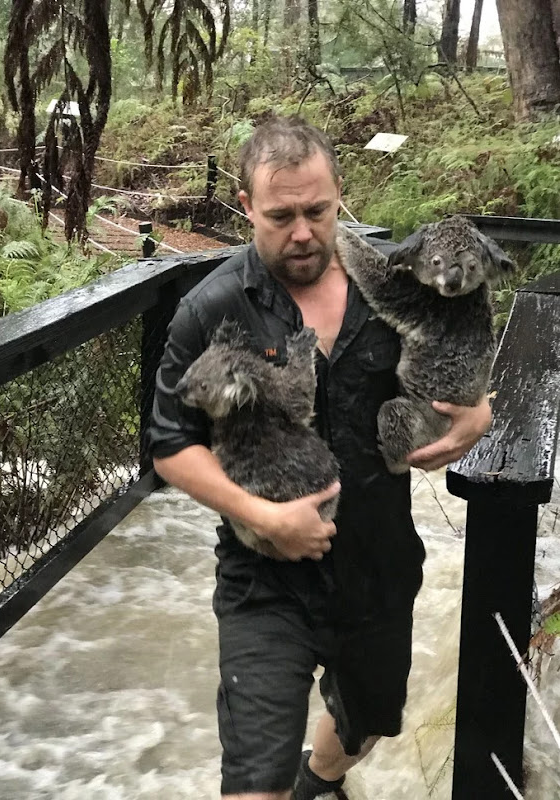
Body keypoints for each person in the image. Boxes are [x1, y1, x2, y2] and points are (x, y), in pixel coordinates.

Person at [148, 115, 491, 800]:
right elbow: (169, 445)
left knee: (367, 724)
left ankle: (320, 779)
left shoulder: (399, 281)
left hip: (380, 562)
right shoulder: (211, 309)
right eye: (281, 215)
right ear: (247, 207)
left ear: (341, 194)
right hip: (264, 577)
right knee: (254, 781)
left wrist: (479, 412)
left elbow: (463, 352)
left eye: (317, 210)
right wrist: (262, 518)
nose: (302, 231)